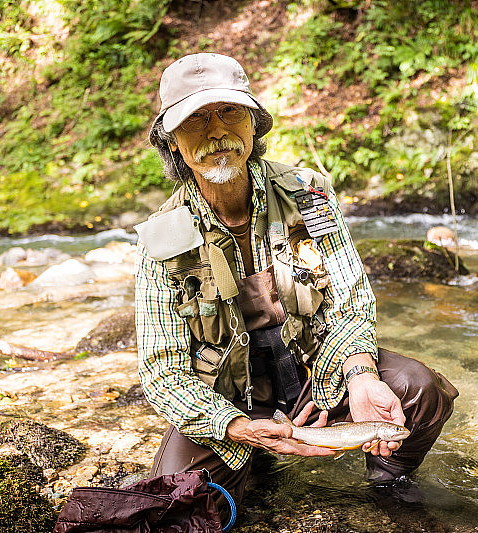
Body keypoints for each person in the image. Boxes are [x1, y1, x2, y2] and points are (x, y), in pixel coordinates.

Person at [134, 52, 458, 512]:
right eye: (195, 120)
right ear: (174, 144)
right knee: (177, 499)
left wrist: (361, 375)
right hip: (230, 404)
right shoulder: (159, 238)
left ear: (253, 123)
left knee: (418, 390)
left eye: (229, 111)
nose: (216, 132)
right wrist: (235, 427)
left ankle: (388, 491)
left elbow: (349, 299)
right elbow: (162, 370)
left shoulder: (308, 194)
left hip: (314, 377)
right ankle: (254, 458)